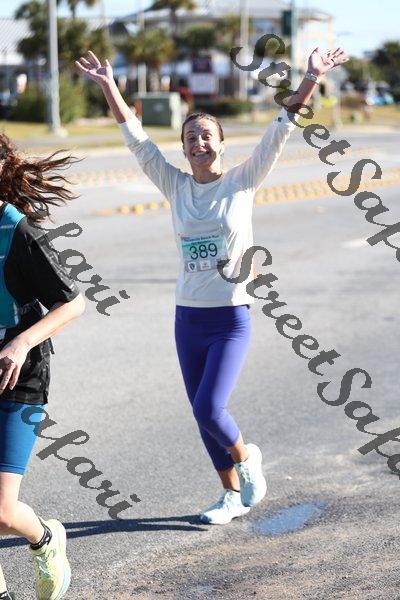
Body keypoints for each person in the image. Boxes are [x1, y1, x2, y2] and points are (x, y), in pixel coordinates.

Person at [75, 47, 347, 525]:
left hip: (229, 318)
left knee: (209, 406)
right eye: (190, 138)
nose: (198, 143)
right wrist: (109, 86)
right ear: (183, 150)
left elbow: (281, 127)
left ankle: (247, 460)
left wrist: (309, 78)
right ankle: (229, 495)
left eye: (206, 136)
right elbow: (136, 139)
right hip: (187, 318)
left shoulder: (243, 181)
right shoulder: (176, 186)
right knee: (201, 414)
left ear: (221, 144)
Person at [0, 135, 85, 599]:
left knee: (1, 512)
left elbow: (72, 303)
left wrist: (21, 342)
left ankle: (46, 539)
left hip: (20, 374)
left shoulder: (18, 232)